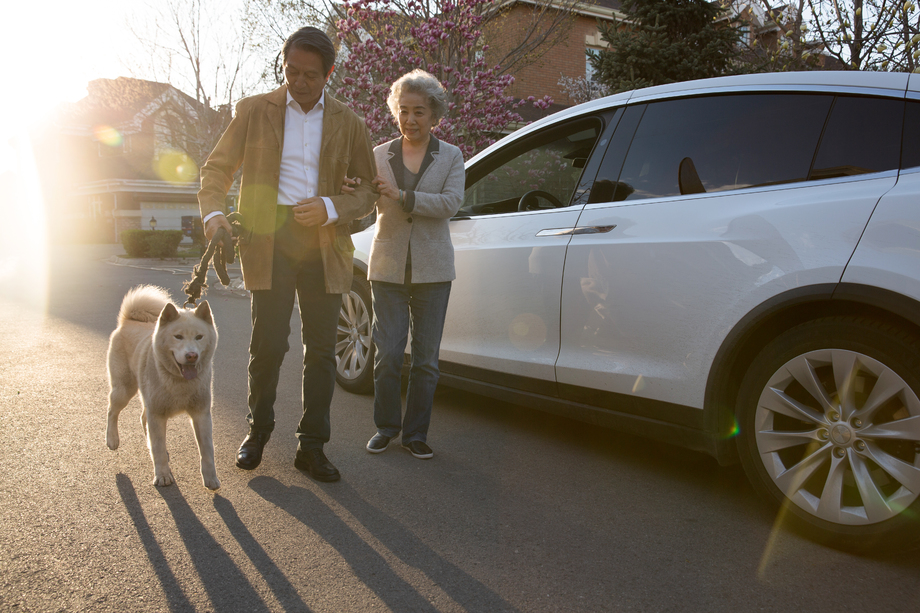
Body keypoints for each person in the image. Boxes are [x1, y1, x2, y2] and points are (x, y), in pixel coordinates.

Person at [197, 26, 377, 482]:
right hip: (268, 238)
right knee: (269, 344)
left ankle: (311, 447)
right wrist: (214, 214)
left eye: (310, 75)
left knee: (320, 351)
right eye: (291, 71)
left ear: (329, 73)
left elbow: (369, 191)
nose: (298, 82)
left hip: (324, 242)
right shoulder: (255, 111)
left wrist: (331, 206)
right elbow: (217, 167)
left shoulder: (349, 122)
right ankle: (258, 432)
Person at [361, 69, 465, 459]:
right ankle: (386, 426)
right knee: (387, 353)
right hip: (387, 266)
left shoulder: (452, 155)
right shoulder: (378, 154)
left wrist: (403, 196)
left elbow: (449, 205)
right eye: (403, 110)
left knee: (426, 361)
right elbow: (366, 202)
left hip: (433, 271)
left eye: (419, 111)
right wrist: (356, 190)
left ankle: (415, 434)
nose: (410, 119)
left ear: (434, 113)